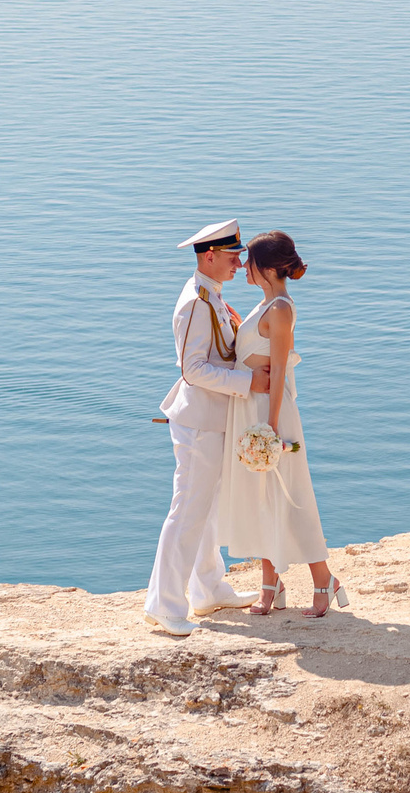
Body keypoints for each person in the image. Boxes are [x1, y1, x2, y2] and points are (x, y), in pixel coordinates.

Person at [143, 218, 271, 636]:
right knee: (187, 513)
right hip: (198, 423)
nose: (239, 264)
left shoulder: (211, 295)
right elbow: (193, 370)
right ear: (210, 256)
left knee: (208, 510)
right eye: (233, 256)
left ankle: (208, 589)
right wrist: (248, 382)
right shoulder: (196, 303)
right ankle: (164, 604)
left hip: (213, 420)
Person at [221, 231, 345, 617]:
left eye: (251, 262)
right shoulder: (264, 305)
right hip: (251, 409)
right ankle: (270, 582)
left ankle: (324, 580)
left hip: (269, 413)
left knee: (290, 495)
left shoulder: (280, 309)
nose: (244, 267)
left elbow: (278, 372)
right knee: (260, 496)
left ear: (270, 268)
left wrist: (270, 428)